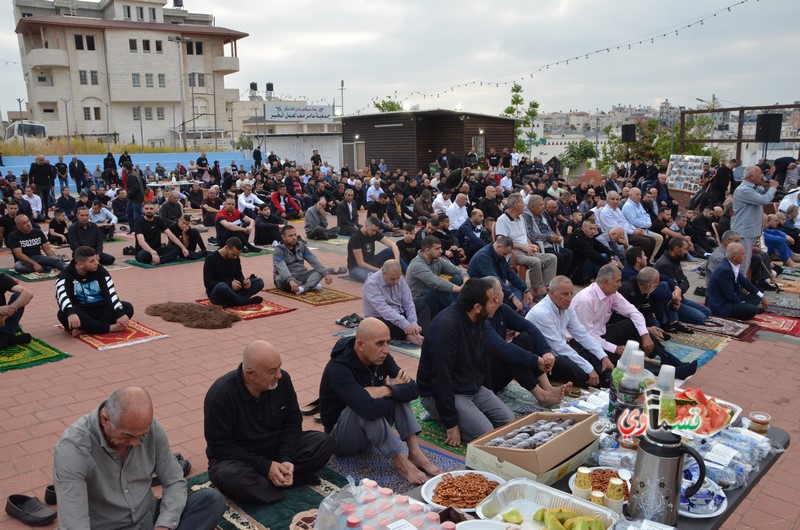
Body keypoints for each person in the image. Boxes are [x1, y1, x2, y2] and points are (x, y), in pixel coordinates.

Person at [54, 386, 226, 530]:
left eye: (142, 435)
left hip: (148, 517)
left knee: (211, 501)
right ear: (105, 420)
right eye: (128, 436)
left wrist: (164, 525)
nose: (136, 443)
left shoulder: (151, 429)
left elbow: (174, 482)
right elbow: (74, 524)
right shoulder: (73, 450)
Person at [204, 340, 331, 504]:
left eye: (279, 367)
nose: (278, 375)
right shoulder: (221, 395)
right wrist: (265, 466)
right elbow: (221, 447)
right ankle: (287, 481)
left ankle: (271, 483)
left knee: (322, 442)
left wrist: (286, 458)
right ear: (250, 374)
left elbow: (292, 422)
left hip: (276, 450)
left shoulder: (282, 380)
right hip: (242, 460)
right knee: (229, 476)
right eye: (272, 371)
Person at [319, 318, 443, 484]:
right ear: (361, 345)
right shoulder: (338, 368)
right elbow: (367, 409)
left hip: (370, 437)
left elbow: (413, 389)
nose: (386, 349)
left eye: (388, 343)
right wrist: (393, 391)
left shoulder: (381, 357)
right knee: (367, 409)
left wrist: (387, 390)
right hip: (341, 440)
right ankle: (400, 462)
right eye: (380, 344)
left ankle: (415, 453)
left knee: (397, 393)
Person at [417, 278, 514, 444]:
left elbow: (483, 361)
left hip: (471, 387)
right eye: (492, 300)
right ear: (477, 307)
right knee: (485, 434)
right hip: (443, 392)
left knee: (509, 422)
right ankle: (437, 413)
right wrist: (451, 424)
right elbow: (442, 377)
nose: (496, 303)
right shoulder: (447, 327)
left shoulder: (479, 319)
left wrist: (488, 392)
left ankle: (459, 414)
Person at [572, 264, 697, 380]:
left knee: (633, 325)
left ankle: (668, 358)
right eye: (617, 281)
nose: (620, 285)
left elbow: (634, 313)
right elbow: (586, 336)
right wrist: (614, 348)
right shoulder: (586, 299)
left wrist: (645, 335)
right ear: (606, 282)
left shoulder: (611, 293)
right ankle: (668, 372)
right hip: (581, 344)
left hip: (601, 335)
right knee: (622, 360)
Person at [484, 278, 567, 405]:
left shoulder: (502, 309)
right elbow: (502, 348)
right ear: (495, 297)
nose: (504, 293)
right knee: (511, 354)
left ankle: (548, 388)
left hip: (498, 368)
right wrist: (536, 360)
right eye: (501, 290)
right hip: (486, 379)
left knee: (526, 338)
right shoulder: (482, 320)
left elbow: (530, 327)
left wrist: (546, 352)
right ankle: (541, 396)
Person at [528, 276, 617, 388]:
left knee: (595, 356)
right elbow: (558, 348)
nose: (569, 298)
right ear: (551, 293)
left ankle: (607, 379)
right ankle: (604, 385)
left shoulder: (567, 307)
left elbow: (582, 334)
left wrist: (603, 356)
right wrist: (588, 369)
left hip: (560, 350)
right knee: (583, 371)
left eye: (571, 294)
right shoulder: (542, 313)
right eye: (565, 294)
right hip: (545, 360)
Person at [55, 246, 134, 336]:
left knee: (127, 307)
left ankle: (86, 329)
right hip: (81, 311)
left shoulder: (100, 271)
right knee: (63, 314)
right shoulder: (64, 276)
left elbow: (110, 293)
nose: (97, 263)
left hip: (101, 308)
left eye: (96, 259)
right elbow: (62, 297)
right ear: (81, 264)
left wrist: (119, 313)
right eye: (92, 261)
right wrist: (71, 313)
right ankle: (109, 328)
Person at [495, 193, 557, 297]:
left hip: (526, 251)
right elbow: (501, 241)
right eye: (523, 203)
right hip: (512, 253)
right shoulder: (502, 220)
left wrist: (530, 245)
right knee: (535, 261)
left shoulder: (521, 217)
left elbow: (525, 236)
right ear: (516, 205)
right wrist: (522, 247)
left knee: (552, 258)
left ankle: (546, 287)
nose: (525, 206)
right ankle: (537, 291)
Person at [363, 260, 428, 345]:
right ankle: (407, 336)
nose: (396, 281)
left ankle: (417, 334)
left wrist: (413, 322)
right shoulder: (372, 283)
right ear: (383, 273)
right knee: (380, 326)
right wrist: (406, 325)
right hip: (381, 316)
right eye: (392, 279)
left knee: (422, 307)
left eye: (398, 278)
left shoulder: (399, 279)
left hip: (399, 313)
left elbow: (408, 302)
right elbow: (384, 310)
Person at [732, 166, 779, 276]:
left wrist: (765, 184)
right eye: (759, 173)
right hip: (744, 232)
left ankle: (742, 285)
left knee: (747, 260)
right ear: (751, 177)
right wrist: (773, 187)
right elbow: (764, 200)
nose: (762, 175)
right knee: (743, 261)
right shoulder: (744, 190)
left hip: (751, 231)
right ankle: (738, 286)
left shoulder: (754, 188)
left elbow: (763, 193)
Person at [467, 236, 533, 313]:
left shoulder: (499, 254)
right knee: (512, 301)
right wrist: (512, 297)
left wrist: (526, 290)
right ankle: (524, 310)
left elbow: (511, 274)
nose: (505, 256)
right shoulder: (483, 257)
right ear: (498, 246)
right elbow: (495, 280)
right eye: (505, 253)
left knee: (518, 287)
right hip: (482, 291)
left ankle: (520, 307)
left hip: (496, 288)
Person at [406, 235, 466, 319]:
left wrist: (466, 281)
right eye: (437, 249)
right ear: (427, 250)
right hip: (418, 303)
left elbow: (458, 270)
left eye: (440, 248)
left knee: (457, 279)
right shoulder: (417, 265)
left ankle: (460, 307)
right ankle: (457, 315)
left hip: (433, 297)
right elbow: (437, 282)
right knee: (439, 289)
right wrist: (460, 289)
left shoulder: (437, 260)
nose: (441, 251)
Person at [654, 238, 712, 325]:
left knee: (707, 311)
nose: (686, 252)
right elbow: (672, 290)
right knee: (701, 318)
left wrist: (679, 285)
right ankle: (674, 317)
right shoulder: (664, 264)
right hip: (672, 303)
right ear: (677, 249)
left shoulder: (675, 259)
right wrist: (679, 285)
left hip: (681, 297)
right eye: (685, 249)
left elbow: (685, 281)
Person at [706, 242, 768, 320]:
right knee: (751, 310)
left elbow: (745, 282)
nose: (745, 256)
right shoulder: (725, 270)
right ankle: (746, 309)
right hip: (720, 304)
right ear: (734, 257)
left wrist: (761, 296)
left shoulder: (731, 265)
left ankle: (745, 308)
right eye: (742, 254)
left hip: (729, 298)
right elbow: (728, 294)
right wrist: (739, 303)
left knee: (757, 295)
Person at [273, 225, 333, 294]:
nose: (294, 238)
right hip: (287, 277)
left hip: (302, 274)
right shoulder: (279, 250)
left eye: (295, 235)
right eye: (290, 236)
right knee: (279, 279)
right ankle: (310, 285)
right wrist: (290, 279)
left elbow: (313, 260)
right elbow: (281, 267)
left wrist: (326, 273)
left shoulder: (301, 246)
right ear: (284, 237)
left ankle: (303, 288)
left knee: (321, 270)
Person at [598, 191, 657, 258]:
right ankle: (638, 264)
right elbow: (618, 229)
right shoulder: (605, 212)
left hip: (628, 231)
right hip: (620, 236)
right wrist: (633, 232)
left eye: (617, 199)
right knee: (646, 242)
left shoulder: (617, 209)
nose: (615, 201)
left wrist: (635, 229)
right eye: (613, 199)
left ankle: (646, 261)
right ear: (607, 200)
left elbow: (625, 222)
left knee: (652, 240)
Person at [524, 195, 573, 276]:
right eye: (540, 205)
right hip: (538, 245)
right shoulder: (526, 217)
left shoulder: (541, 215)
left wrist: (556, 236)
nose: (543, 207)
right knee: (559, 256)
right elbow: (530, 234)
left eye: (543, 204)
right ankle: (553, 278)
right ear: (532, 207)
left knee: (569, 253)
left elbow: (549, 229)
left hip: (550, 243)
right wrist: (548, 238)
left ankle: (560, 277)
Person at [346, 217, 400, 282]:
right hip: (356, 268)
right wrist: (379, 270)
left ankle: (407, 272)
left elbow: (393, 245)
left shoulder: (374, 233)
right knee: (375, 279)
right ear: (366, 226)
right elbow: (361, 263)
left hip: (371, 262)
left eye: (376, 231)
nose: (374, 233)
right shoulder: (356, 237)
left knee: (390, 251)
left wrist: (397, 261)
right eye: (373, 230)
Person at [0, 271, 33, 348]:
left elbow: (28, 293)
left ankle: (5, 335)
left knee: (18, 297)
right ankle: (10, 339)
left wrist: (9, 310)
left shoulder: (1, 278)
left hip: (2, 320)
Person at [29, 155, 54, 220]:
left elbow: (51, 176)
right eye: (40, 160)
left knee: (47, 200)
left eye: (43, 160)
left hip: (46, 185)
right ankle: (41, 213)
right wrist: (31, 183)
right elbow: (30, 174)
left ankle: (46, 214)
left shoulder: (47, 166)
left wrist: (52, 185)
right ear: (37, 160)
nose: (42, 161)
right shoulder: (33, 166)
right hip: (38, 185)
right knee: (40, 198)